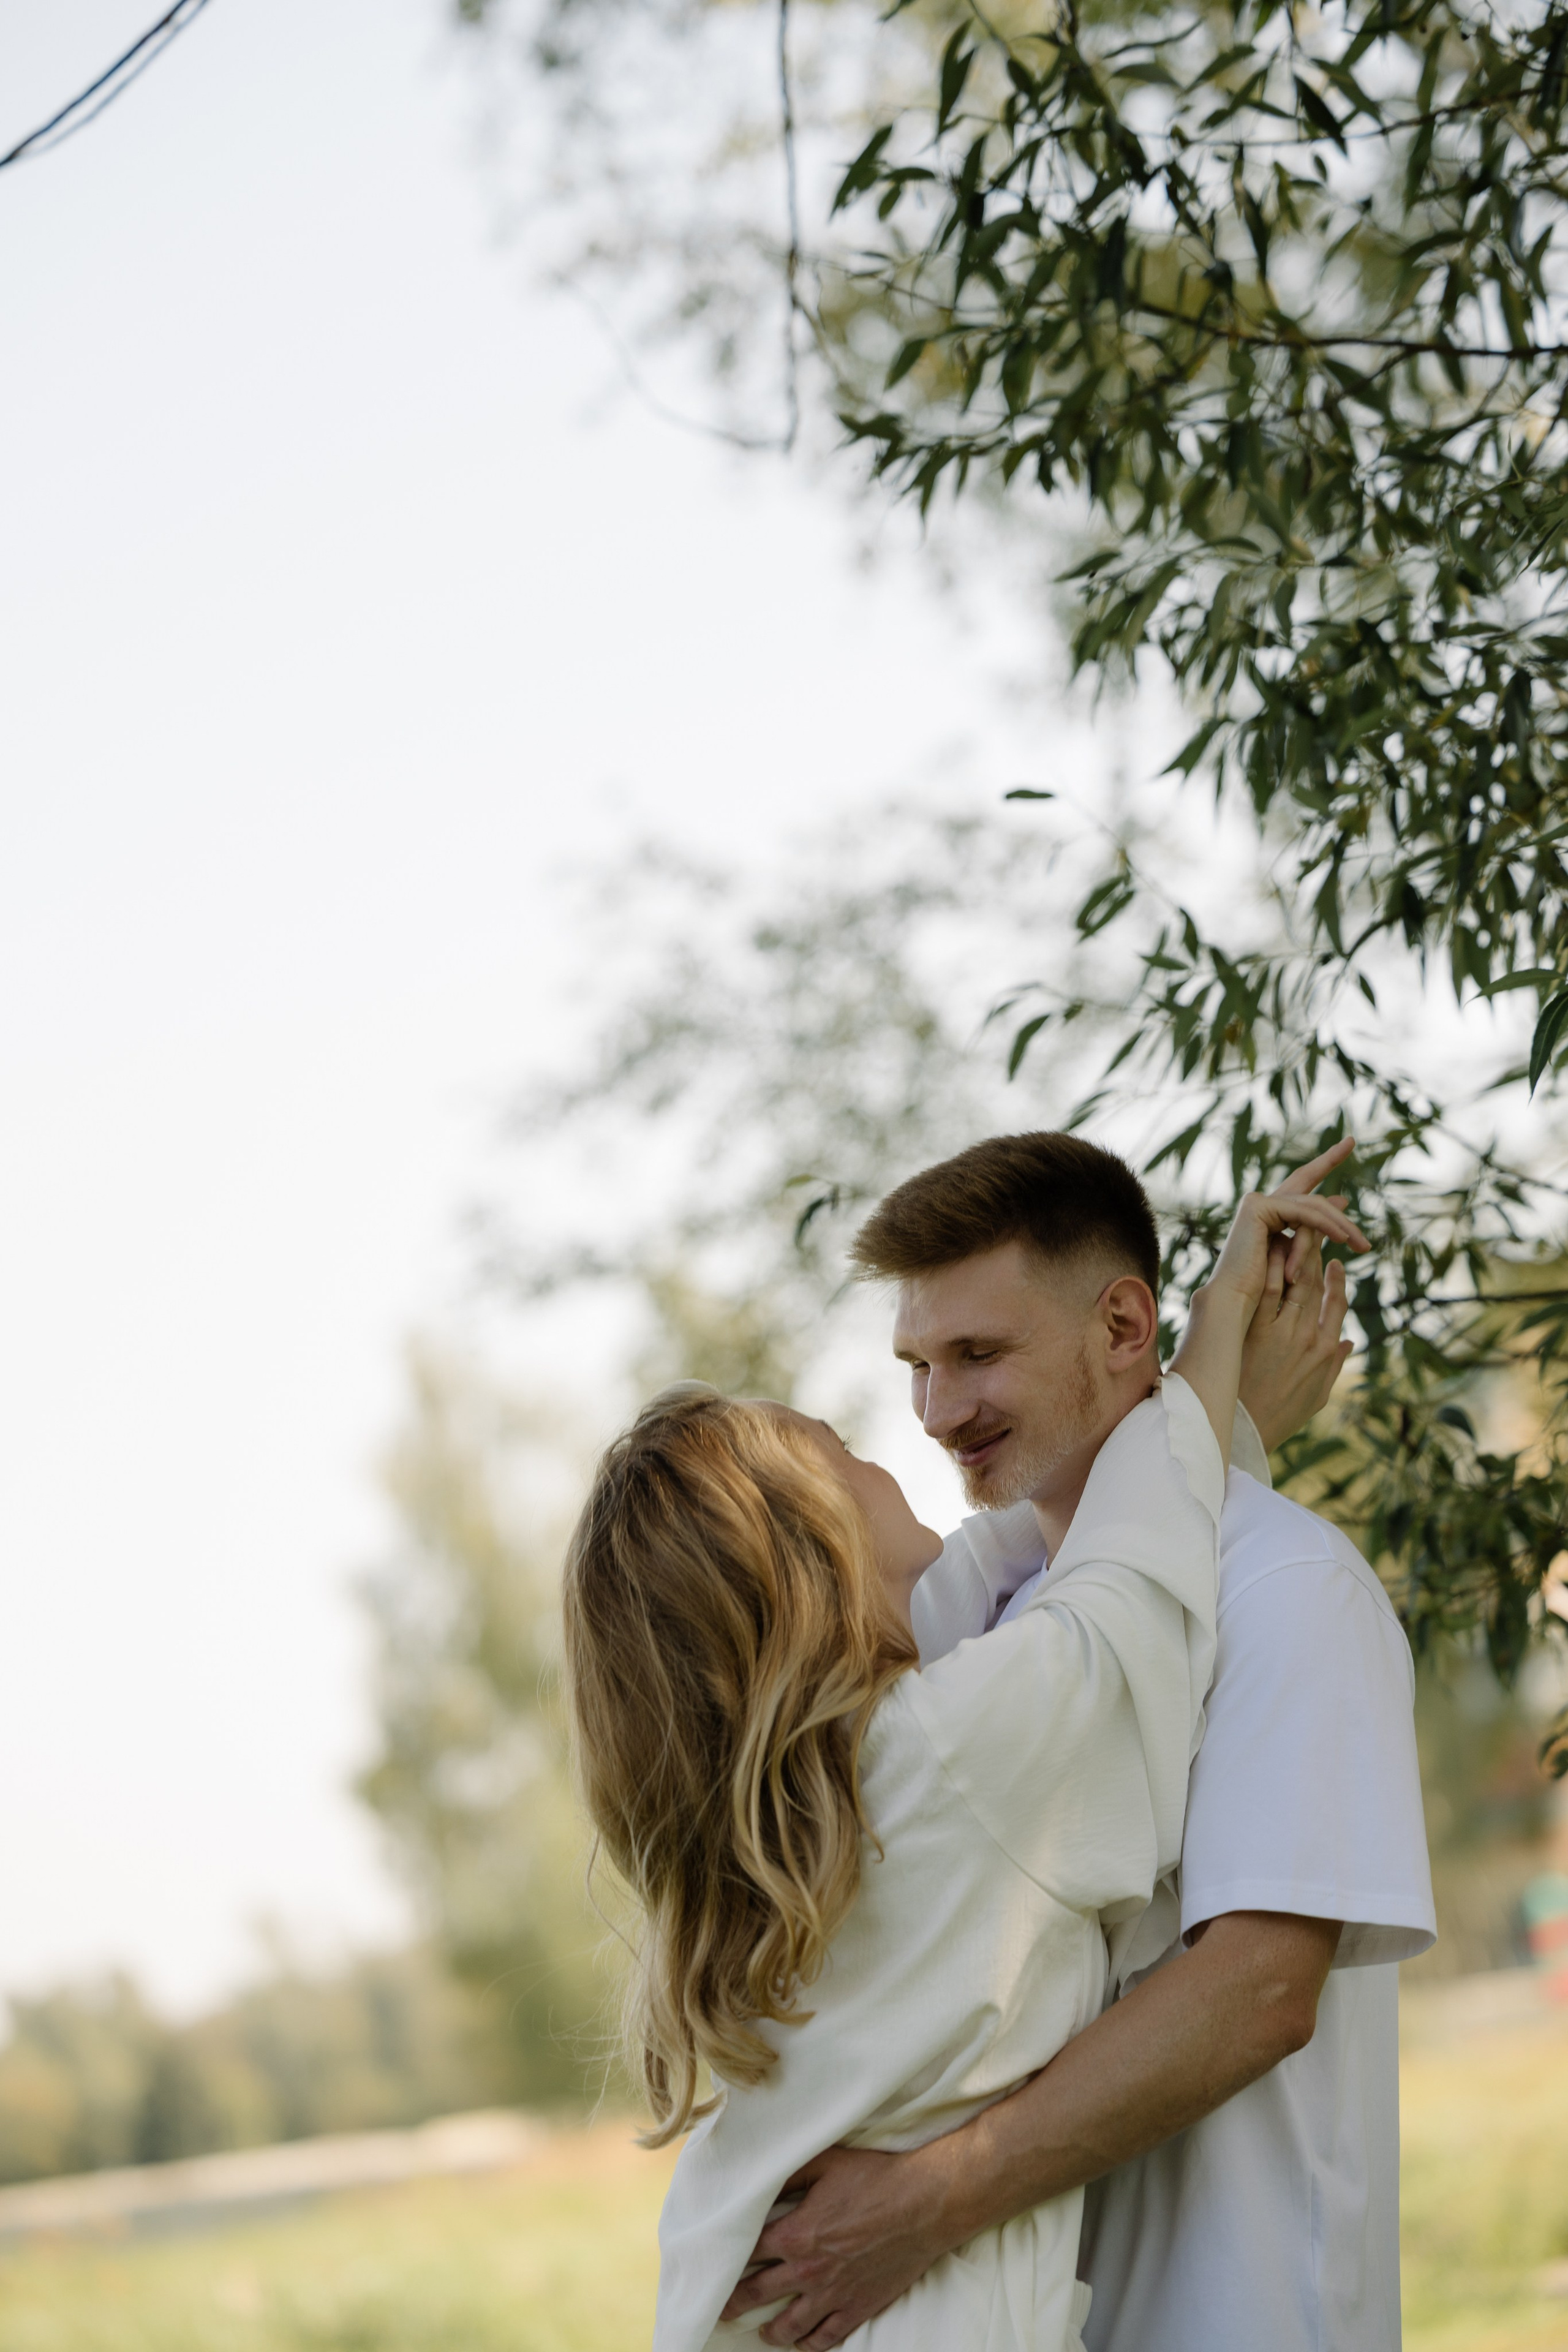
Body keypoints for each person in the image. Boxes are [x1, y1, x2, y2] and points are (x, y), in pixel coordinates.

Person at [563, 1183, 1366, 2351]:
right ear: (815, 1547)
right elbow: (1122, 1568)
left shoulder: (785, 1801)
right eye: (841, 1447)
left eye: (975, 1356)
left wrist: (1220, 1428)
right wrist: (1218, 1330)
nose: (922, 1427)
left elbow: (1048, 1548)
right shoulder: (952, 1747)